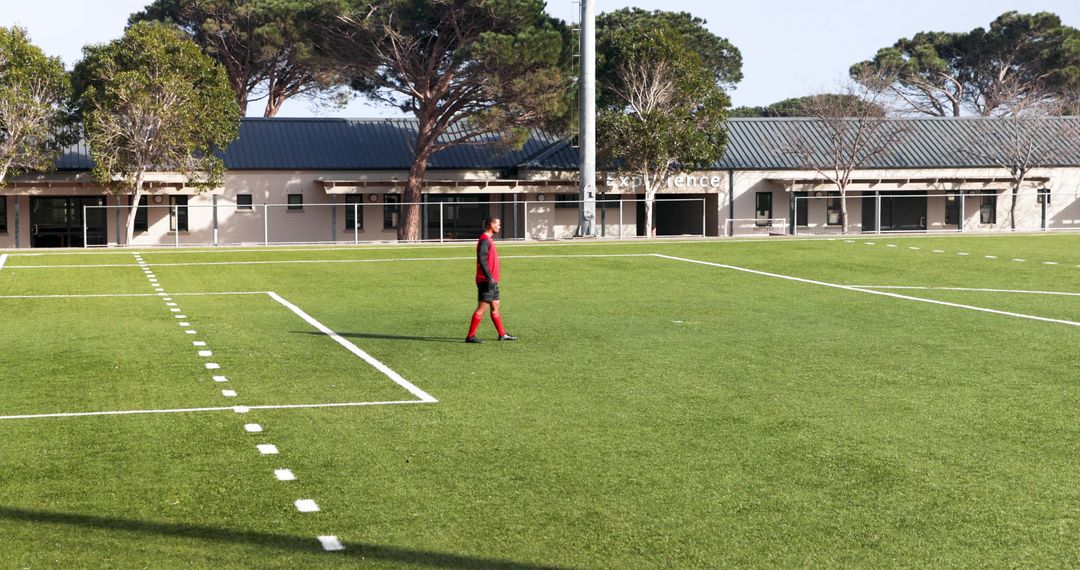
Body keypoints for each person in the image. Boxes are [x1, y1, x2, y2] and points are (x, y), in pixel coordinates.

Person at [465, 217, 516, 343]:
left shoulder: (489, 239)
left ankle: (502, 334)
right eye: (498, 224)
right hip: (486, 281)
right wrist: (489, 278)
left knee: (495, 305)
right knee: (482, 308)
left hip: (492, 281)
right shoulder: (484, 240)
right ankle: (470, 336)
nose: (499, 227)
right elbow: (482, 259)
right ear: (491, 225)